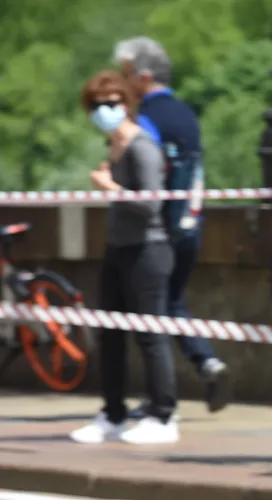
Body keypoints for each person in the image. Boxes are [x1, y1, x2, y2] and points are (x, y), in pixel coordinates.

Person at [114, 37, 230, 414]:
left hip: (156, 233)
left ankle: (159, 402)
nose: (122, 81)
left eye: (127, 74)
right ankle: (206, 361)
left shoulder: (144, 120)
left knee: (150, 319)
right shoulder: (186, 114)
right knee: (171, 304)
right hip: (190, 224)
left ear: (143, 77)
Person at [70, 70, 179, 446]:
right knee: (110, 334)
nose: (106, 111)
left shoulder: (142, 146)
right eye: (98, 106)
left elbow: (153, 205)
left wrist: (111, 187)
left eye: (113, 103)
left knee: (150, 335)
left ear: (128, 104)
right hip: (118, 249)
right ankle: (113, 413)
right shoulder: (113, 147)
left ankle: (163, 416)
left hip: (148, 249)